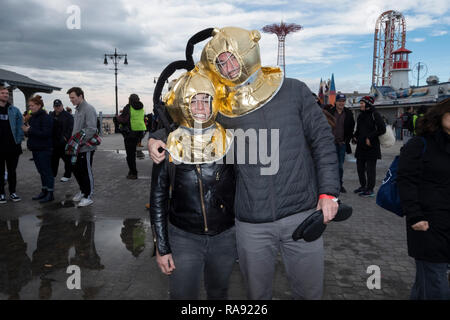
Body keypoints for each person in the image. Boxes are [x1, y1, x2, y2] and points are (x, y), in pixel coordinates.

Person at [149, 27, 340, 300]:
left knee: (309, 294)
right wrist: (155, 137)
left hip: (301, 213)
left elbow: (323, 141)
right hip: (251, 225)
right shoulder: (224, 109)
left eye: (231, 58)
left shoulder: (294, 90)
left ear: (245, 52)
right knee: (256, 297)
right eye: (220, 63)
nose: (227, 68)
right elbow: (186, 122)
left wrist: (328, 192)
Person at [150, 69, 236, 300]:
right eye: (193, 101)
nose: (199, 107)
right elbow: (157, 200)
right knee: (182, 295)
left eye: (205, 100)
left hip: (225, 238)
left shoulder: (230, 140)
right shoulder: (167, 143)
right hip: (183, 238)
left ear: (213, 103)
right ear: (183, 104)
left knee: (219, 294)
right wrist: (162, 247)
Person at [397, 98, 450, 300]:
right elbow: (405, 181)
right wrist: (415, 216)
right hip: (427, 224)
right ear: (441, 114)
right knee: (436, 285)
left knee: (426, 282)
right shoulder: (421, 144)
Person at [67, 87, 98, 207]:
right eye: (70, 98)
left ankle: (88, 196)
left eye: (73, 97)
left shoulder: (88, 109)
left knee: (86, 171)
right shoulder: (78, 110)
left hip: (85, 148)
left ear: (80, 96)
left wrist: (78, 142)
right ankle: (82, 190)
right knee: (77, 170)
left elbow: (91, 129)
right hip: (76, 147)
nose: (71, 100)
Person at [352, 96, 386, 197]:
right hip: (361, 146)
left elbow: (382, 129)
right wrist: (354, 137)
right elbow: (359, 130)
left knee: (370, 170)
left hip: (372, 147)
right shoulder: (361, 115)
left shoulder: (375, 114)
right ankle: (363, 186)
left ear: (367, 104)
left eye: (362, 103)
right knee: (360, 168)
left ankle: (370, 189)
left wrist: (369, 137)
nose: (360, 105)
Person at [22, 95, 54, 203]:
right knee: (41, 172)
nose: (30, 107)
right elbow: (32, 132)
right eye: (29, 106)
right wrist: (26, 131)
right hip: (36, 149)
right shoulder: (33, 117)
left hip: (44, 149)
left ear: (39, 106)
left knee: (47, 172)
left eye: (32, 105)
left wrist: (30, 130)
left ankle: (50, 193)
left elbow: (46, 133)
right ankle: (44, 191)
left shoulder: (46, 117)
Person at [0, 85, 24, 204]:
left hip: (12, 147)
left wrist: (18, 140)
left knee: (12, 171)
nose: (6, 95)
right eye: (3, 93)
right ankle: (1, 194)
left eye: (7, 93)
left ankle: (13, 192)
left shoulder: (14, 110)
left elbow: (21, 124)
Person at [329, 93, 355, 193]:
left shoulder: (348, 113)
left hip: (342, 144)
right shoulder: (330, 112)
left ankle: (339, 184)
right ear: (335, 102)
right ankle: (331, 185)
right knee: (331, 165)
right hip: (330, 144)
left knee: (340, 165)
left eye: (343, 101)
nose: (341, 103)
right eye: (339, 101)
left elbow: (351, 127)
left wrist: (347, 140)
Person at [117, 94, 146, 179]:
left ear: (130, 99)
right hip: (139, 133)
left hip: (130, 133)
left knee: (130, 155)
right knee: (132, 152)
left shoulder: (128, 107)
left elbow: (123, 120)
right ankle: (131, 171)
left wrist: (116, 118)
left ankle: (133, 173)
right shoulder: (141, 107)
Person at [49, 99, 74, 182]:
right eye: (56, 106)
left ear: (62, 106)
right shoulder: (51, 115)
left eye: (59, 106)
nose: (58, 107)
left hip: (64, 143)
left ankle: (67, 174)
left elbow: (71, 128)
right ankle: (53, 174)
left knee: (67, 160)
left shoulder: (68, 115)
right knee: (53, 160)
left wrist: (65, 138)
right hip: (53, 142)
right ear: (53, 107)